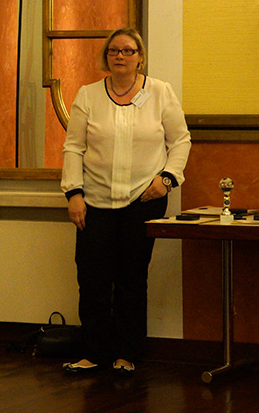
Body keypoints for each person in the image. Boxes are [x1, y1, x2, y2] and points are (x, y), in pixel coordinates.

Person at [60, 27, 191, 375]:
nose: (120, 56)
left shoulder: (160, 92)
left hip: (143, 200)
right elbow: (73, 147)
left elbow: (181, 140)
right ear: (106, 57)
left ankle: (126, 354)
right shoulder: (88, 95)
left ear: (140, 57)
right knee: (92, 280)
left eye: (128, 51)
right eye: (114, 51)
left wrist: (167, 179)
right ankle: (94, 353)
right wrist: (74, 193)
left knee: (131, 280)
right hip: (94, 203)